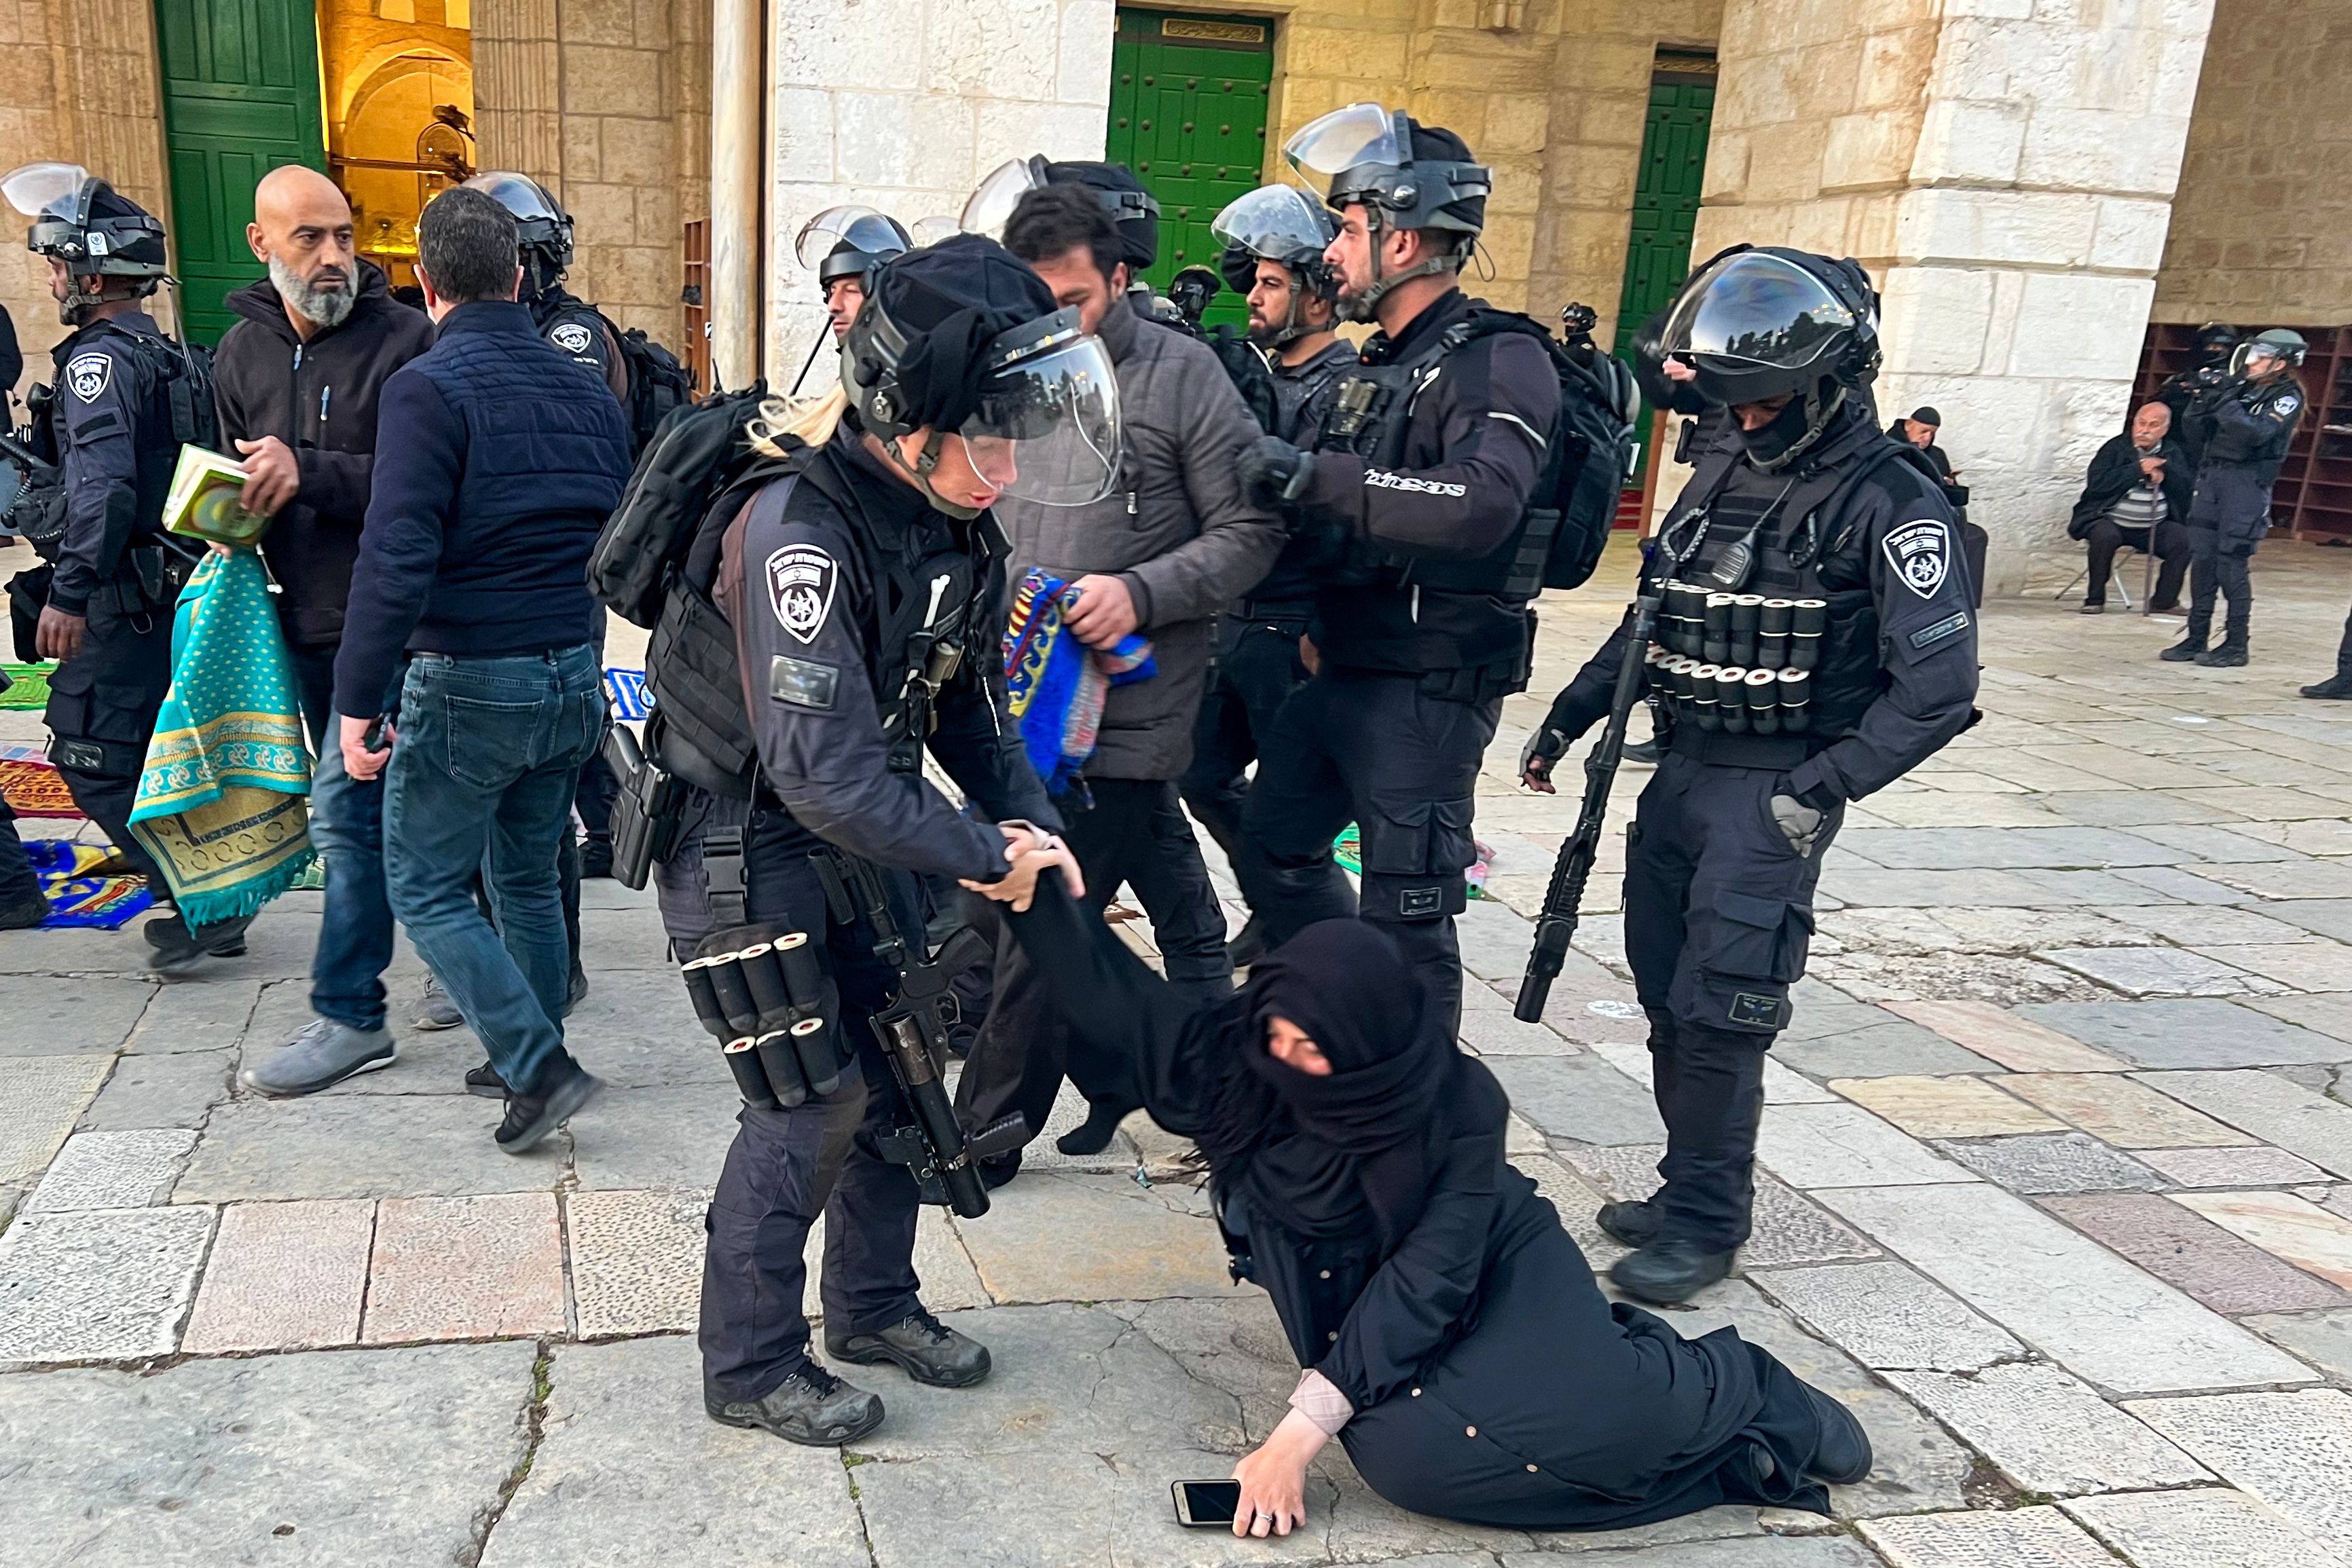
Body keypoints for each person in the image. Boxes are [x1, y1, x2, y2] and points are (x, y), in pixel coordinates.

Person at [979, 867, 1873, 1535]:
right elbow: (1112, 992)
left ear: (1376, 1041)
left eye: (1317, 1047)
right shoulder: (1238, 1053)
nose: (1292, 1059)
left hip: (1487, 1265)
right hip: (1344, 1289)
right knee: (1417, 1458)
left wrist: (1296, 1434)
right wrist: (1029, 889)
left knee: (1596, 1417)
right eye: (1282, 1034)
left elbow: (1430, 1275)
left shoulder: (1458, 1105)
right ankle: (1610, 1365)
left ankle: (1738, 1385)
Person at [651, 236, 1109, 1444]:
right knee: (809, 1103)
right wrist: (978, 854)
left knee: (902, 1075)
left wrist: (1032, 821)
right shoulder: (797, 527)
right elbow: (819, 770)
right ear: (909, 416)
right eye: (989, 436)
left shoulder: (948, 518)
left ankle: (870, 1307)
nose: (1006, 468)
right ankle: (748, 1365)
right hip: (742, 846)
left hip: (864, 833)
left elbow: (970, 705)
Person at [1520, 247, 1979, 1304]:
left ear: (1828, 382)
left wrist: (1821, 786)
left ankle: (1710, 1222)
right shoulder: (1724, 465)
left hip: (1774, 788)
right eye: (1738, 400)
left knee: (1723, 1004)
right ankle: (1688, 1186)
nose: (1750, 416)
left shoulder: (1894, 501)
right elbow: (1657, 614)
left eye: (1767, 398)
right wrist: (1573, 713)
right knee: (1666, 996)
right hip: (1678, 769)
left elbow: (1940, 688)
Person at [951, 182, 1283, 1178]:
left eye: (1076, 299)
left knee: (1037, 936)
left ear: (1122, 277)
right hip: (1012, 705)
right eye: (1037, 301)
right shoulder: (1014, 368)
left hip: (1131, 714)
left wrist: (1140, 592)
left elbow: (1252, 531)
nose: (1058, 322)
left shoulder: (1185, 378)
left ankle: (984, 1138)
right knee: (1009, 909)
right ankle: (1178, 1074)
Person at [1232, 107, 1558, 1029]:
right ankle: (1341, 1010)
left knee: (1409, 914)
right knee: (1274, 843)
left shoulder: (1500, 359)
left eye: (1345, 228)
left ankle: (1417, 1119)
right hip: (1342, 665)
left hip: (1426, 690)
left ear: (1402, 236)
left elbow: (1486, 500)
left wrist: (1319, 474)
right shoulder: (1388, 362)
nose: (1331, 250)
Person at [333, 185, 633, 1153]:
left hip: (471, 675)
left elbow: (395, 554)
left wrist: (355, 701)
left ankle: (537, 1065)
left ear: (425, 284)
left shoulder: (427, 387)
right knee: (529, 878)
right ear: (518, 275)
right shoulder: (586, 386)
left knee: (423, 882)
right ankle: (525, 1052)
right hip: (571, 672)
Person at [212, 166, 437, 1096]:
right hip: (297, 623)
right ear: (263, 245)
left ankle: (351, 1013)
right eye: (310, 238)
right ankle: (489, 959)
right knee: (389, 818)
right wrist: (222, 518)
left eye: (344, 235)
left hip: (389, 628)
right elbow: (231, 478)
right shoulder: (237, 356)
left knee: (350, 818)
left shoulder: (408, 343)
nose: (336, 256)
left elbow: (423, 487)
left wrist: (307, 470)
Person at [1, 162, 242, 973]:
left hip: (117, 596)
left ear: (91, 270)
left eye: (59, 262)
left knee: (91, 754)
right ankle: (215, 902)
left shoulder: (96, 364)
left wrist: (68, 592)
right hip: (164, 586)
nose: (53, 276)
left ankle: (200, 903)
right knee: (151, 751)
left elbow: (104, 486)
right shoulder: (169, 355)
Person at [1180, 184, 1356, 967]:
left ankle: (1333, 955)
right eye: (1252, 280)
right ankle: (1274, 905)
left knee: (1294, 824)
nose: (1252, 295)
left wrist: (1325, 633)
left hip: (1296, 632)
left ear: (1318, 297)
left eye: (1272, 283)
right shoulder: (1267, 375)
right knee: (1199, 770)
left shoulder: (1348, 390)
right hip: (1239, 618)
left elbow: (1337, 519)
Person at [2160, 328, 2307, 668]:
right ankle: (2196, 636)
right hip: (2213, 477)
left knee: (2231, 562)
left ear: (2282, 362)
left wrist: (2224, 401)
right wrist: (2201, 400)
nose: (2252, 362)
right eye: (2252, 354)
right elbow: (2197, 432)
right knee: (2203, 560)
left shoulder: (2286, 396)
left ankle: (2235, 643)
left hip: (2246, 483)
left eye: (2262, 357)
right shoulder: (2240, 387)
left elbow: (2254, 433)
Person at [2068, 400, 2190, 615]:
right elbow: (2098, 485)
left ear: (2165, 429)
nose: (2144, 430)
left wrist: (2166, 471)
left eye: (2153, 425)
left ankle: (2164, 601)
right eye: (2140, 423)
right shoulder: (2115, 448)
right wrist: (2139, 469)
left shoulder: (2172, 451)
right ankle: (2094, 599)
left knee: (2184, 540)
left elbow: (2186, 487)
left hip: (2153, 525)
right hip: (2110, 519)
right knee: (2103, 536)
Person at [2154, 322, 2239, 474]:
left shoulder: (2237, 382)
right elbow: (2154, 406)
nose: (2216, 351)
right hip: (2175, 446)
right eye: (2211, 346)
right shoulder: (2183, 378)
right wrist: (2179, 391)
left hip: (2211, 450)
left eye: (2221, 347)